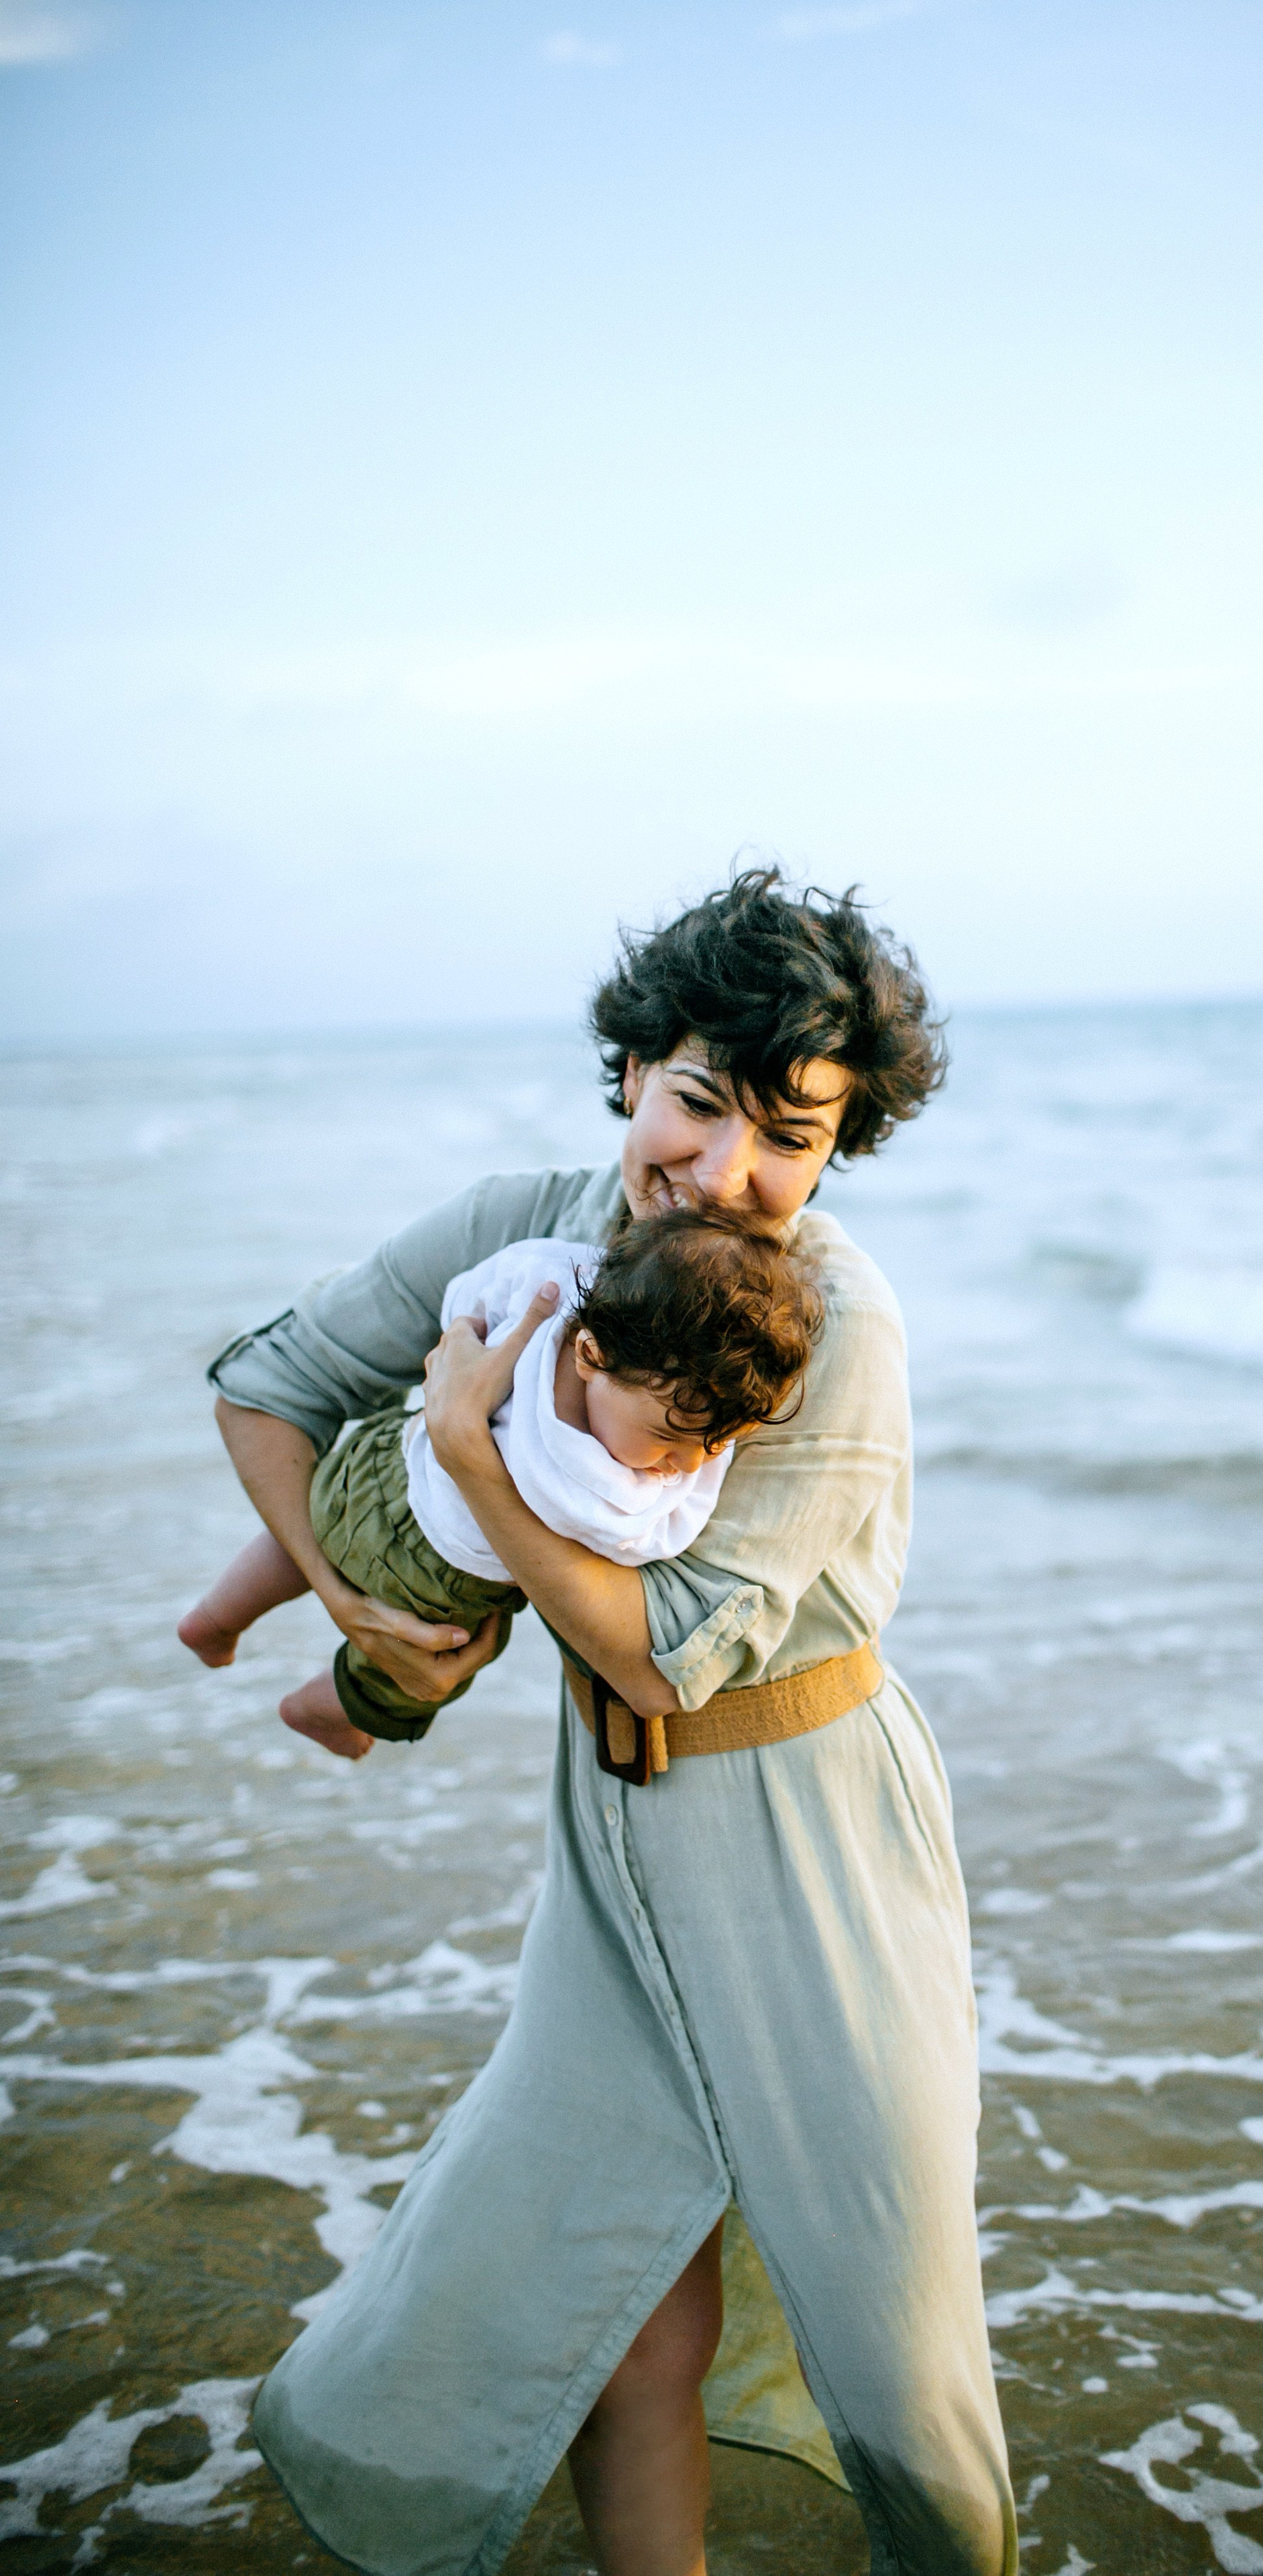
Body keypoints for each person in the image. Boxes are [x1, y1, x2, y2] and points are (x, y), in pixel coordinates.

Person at [206, 869, 1018, 2576]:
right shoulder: (531, 1216)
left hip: (814, 1850)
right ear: (636, 1064)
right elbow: (268, 1381)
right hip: (616, 1850)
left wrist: (475, 1455)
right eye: (702, 1103)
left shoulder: (827, 1328)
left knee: (896, 2342)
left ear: (834, 1148)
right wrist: (345, 1600)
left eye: (790, 1137)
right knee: (604, 2294)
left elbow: (654, 1655)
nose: (727, 1172)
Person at [178, 1208, 820, 1761]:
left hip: (384, 1463)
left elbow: (474, 1292)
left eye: (717, 1444)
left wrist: (465, 1334)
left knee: (316, 1519)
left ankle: (218, 1617)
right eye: (669, 1438)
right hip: (434, 1577)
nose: (686, 1463)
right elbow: (644, 1543)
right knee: (424, 1666)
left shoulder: (550, 1300)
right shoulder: (589, 1481)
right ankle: (331, 1708)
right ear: (592, 1357)